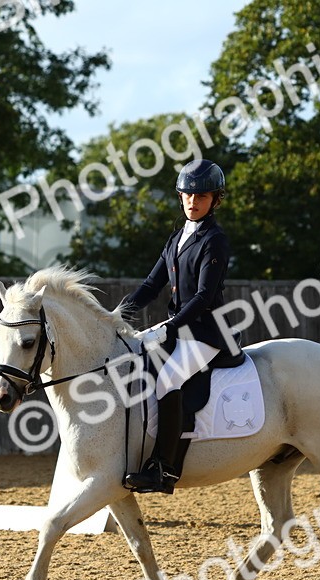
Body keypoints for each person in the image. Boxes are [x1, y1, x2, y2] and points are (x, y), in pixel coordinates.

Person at [120, 159, 232, 494]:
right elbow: (150, 285)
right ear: (180, 196)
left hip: (206, 333)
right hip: (179, 329)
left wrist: (168, 328)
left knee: (168, 379)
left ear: (215, 200)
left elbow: (203, 297)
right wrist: (118, 315)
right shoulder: (176, 238)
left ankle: (163, 469)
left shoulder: (215, 240)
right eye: (188, 195)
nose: (193, 202)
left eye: (202, 196)